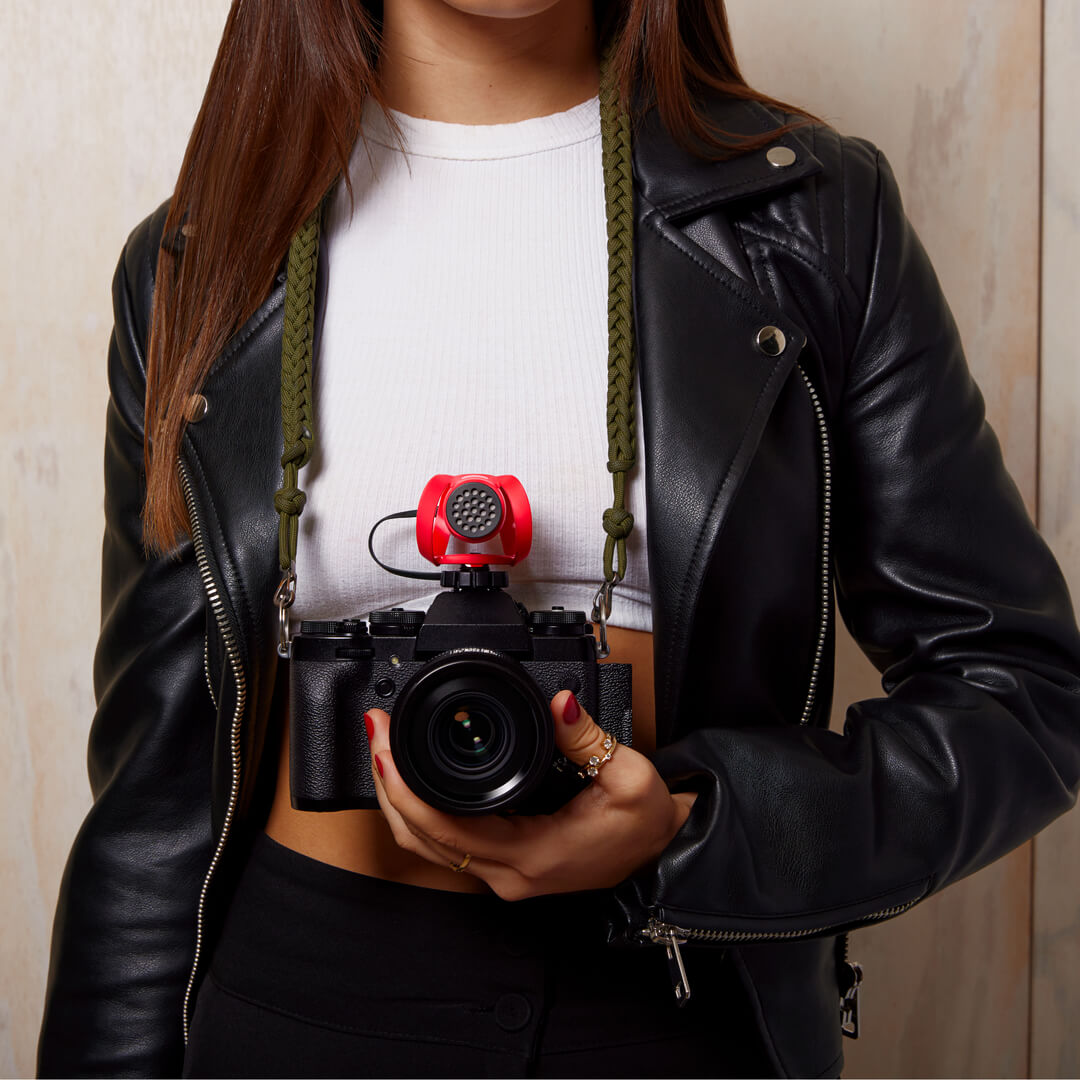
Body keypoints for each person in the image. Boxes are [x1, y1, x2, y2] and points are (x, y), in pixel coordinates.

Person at [37, 0, 1080, 1077]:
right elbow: (155, 807)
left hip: (678, 996)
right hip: (301, 998)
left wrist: (692, 827)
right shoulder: (199, 261)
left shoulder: (813, 217)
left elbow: (1021, 694)